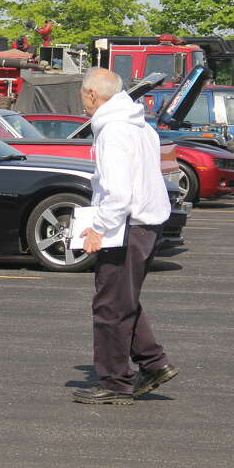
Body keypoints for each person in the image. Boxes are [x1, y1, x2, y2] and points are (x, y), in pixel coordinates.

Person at [71, 67, 178, 406]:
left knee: (110, 306)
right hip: (148, 223)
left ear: (92, 95)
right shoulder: (141, 127)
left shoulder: (114, 131)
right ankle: (153, 363)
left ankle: (115, 382)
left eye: (82, 98)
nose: (83, 105)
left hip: (126, 227)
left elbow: (117, 192)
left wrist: (98, 229)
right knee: (123, 300)